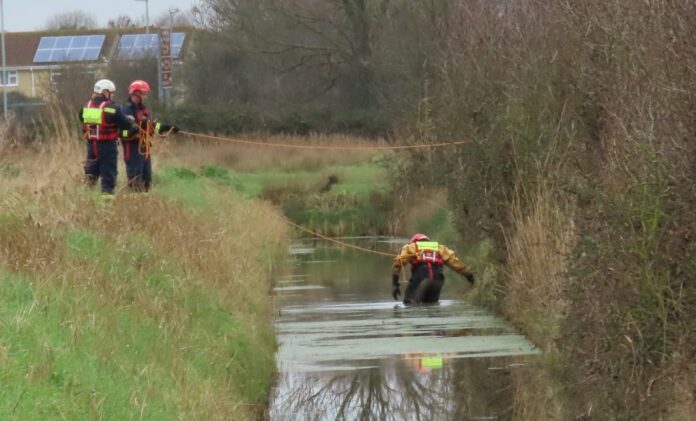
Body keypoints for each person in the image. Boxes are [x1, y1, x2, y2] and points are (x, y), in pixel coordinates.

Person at [80, 79, 139, 195]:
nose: (112, 96)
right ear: (105, 92)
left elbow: (83, 121)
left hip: (92, 146)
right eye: (111, 93)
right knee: (108, 175)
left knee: (90, 175)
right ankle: (107, 201)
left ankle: (87, 199)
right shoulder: (112, 108)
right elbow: (126, 126)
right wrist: (134, 126)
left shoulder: (86, 106)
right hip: (107, 147)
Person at [119, 80, 178, 192]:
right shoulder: (126, 110)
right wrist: (133, 131)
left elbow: (151, 126)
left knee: (147, 181)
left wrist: (166, 127)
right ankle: (134, 203)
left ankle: (145, 203)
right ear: (136, 93)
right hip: (132, 150)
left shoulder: (143, 109)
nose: (146, 96)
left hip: (144, 149)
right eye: (144, 93)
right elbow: (122, 133)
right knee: (135, 181)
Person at [391, 233, 475, 304]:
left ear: (415, 241)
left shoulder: (412, 247)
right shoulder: (440, 248)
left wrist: (395, 284)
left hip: (422, 279)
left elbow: (397, 264)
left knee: (409, 303)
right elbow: (456, 264)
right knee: (431, 307)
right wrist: (470, 277)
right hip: (438, 281)